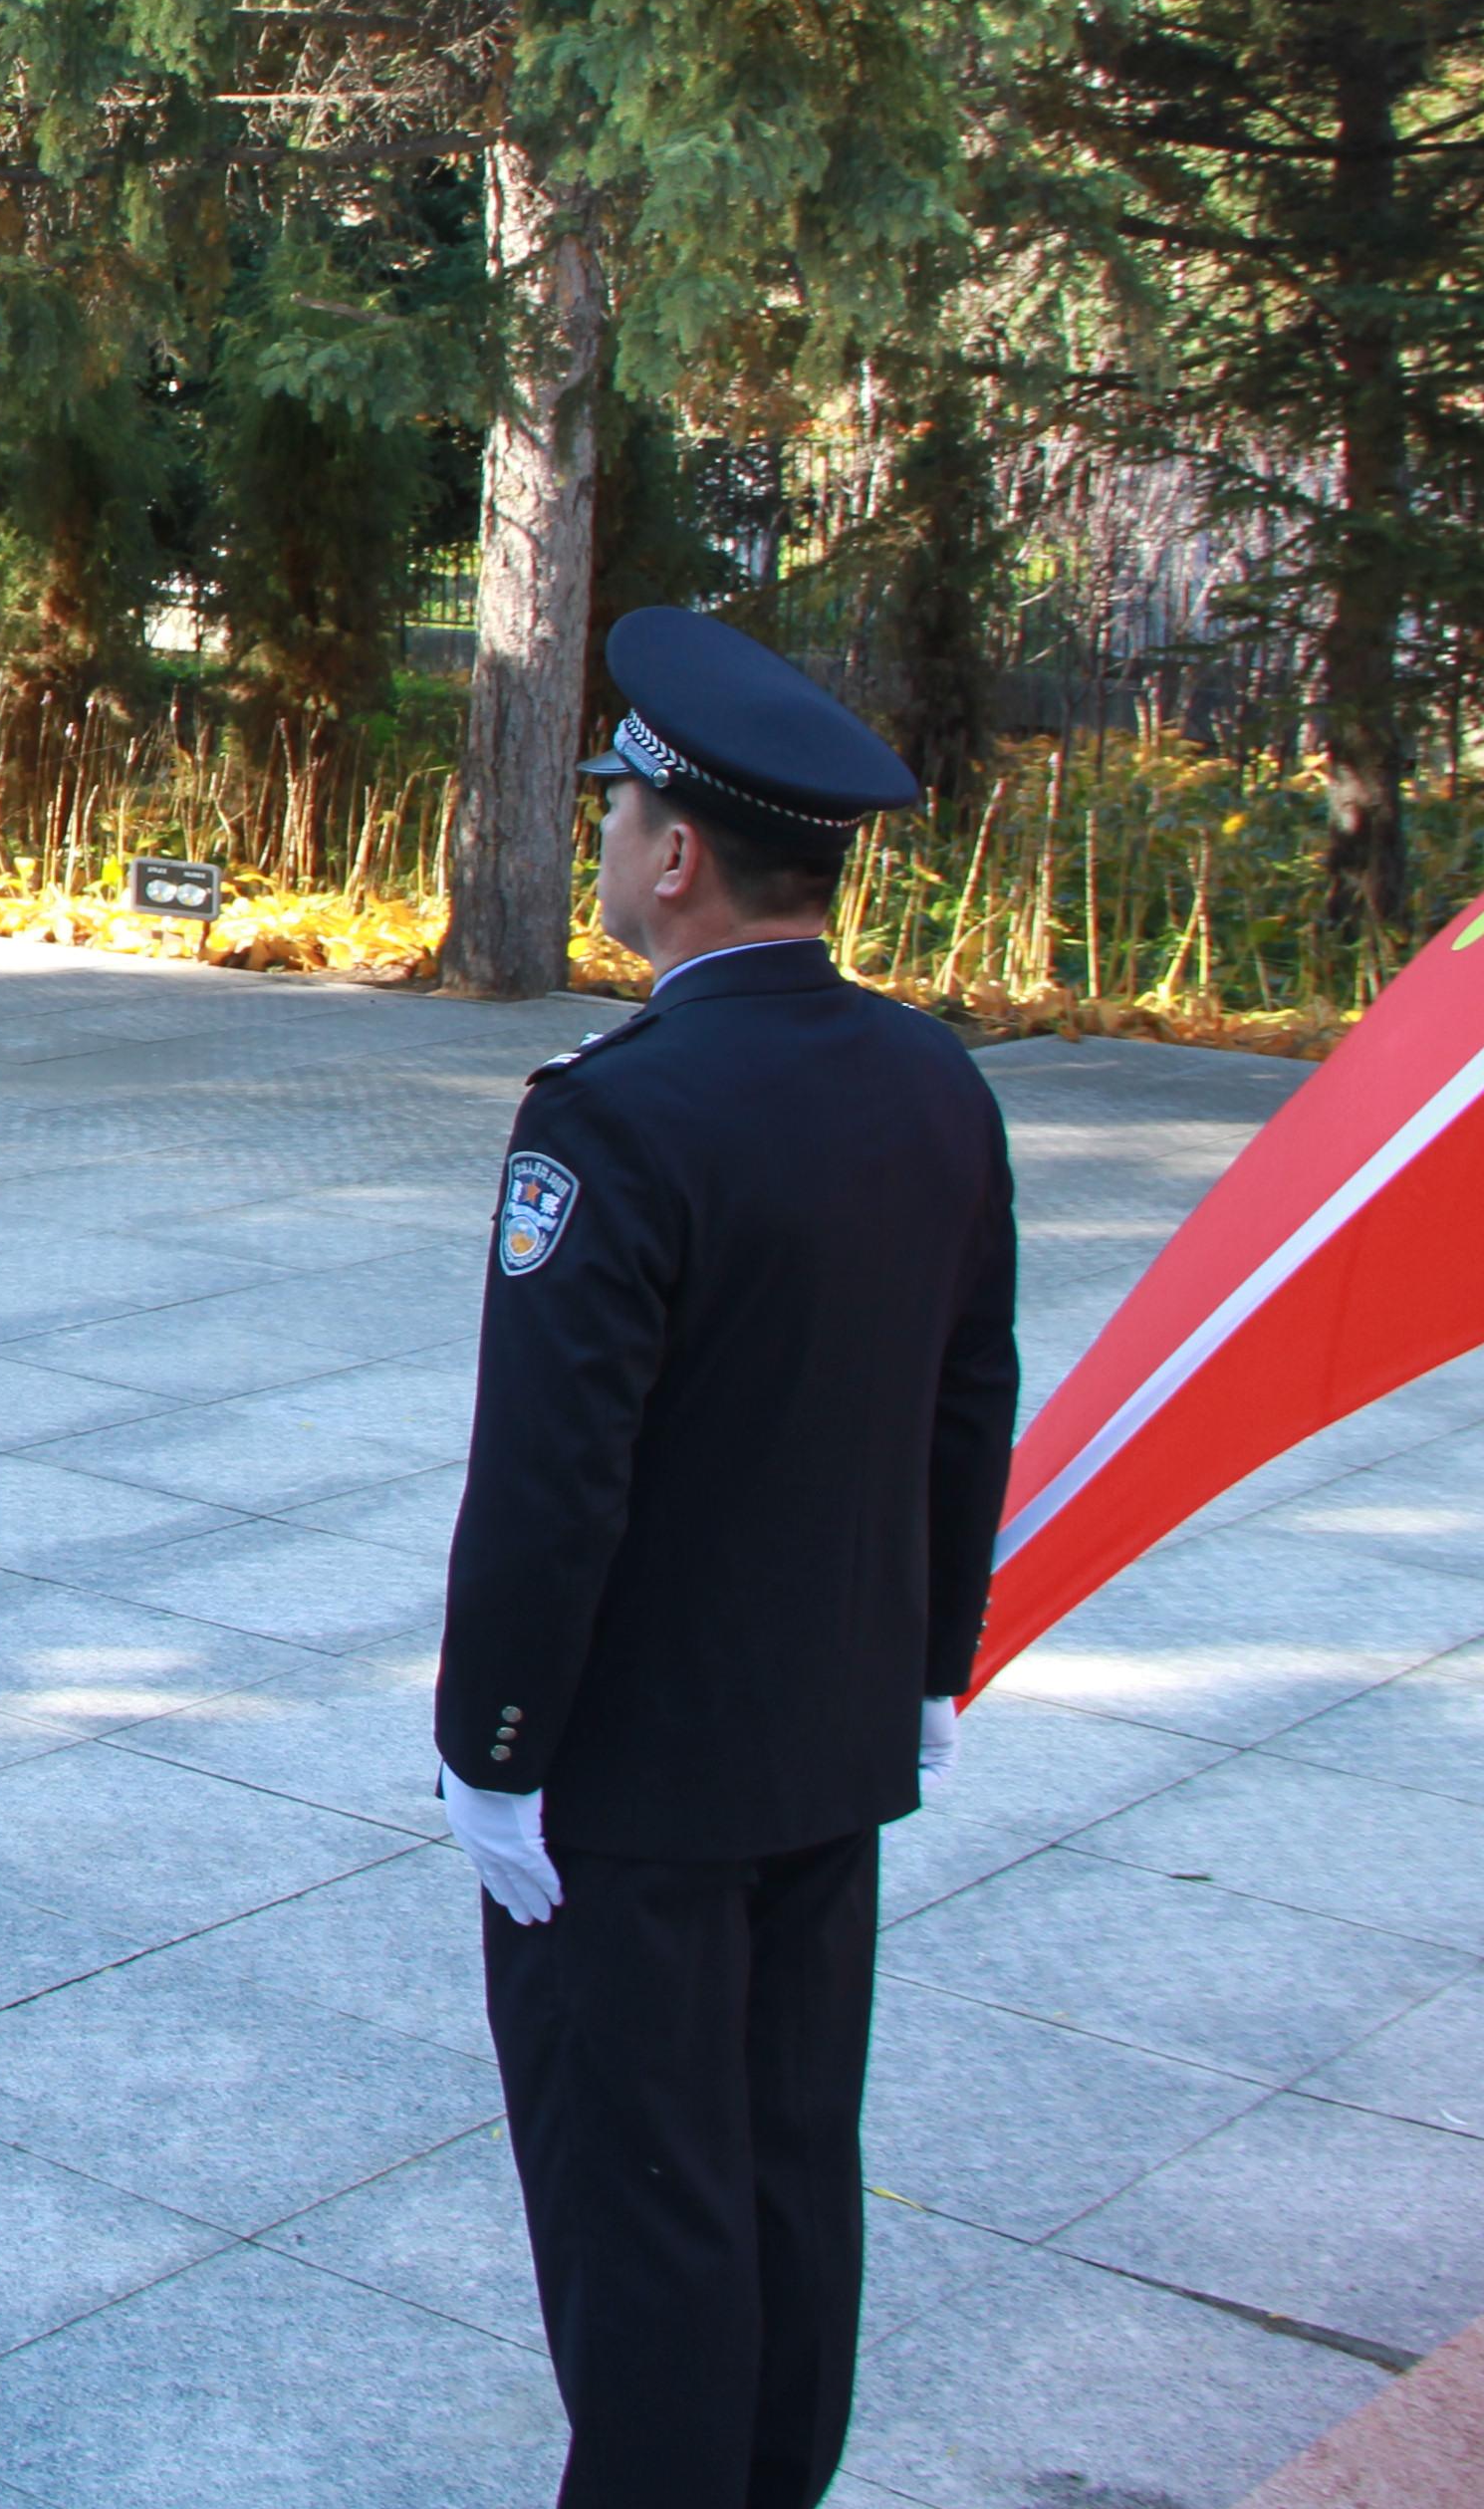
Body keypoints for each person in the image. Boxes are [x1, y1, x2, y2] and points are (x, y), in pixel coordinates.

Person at [434, 605, 1018, 2509]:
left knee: (645, 2202)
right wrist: (928, 1665)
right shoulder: (931, 1084)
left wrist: (490, 1750)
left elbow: (546, 1485)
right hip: (827, 1740)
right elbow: (960, 1405)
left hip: (638, 1782)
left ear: (672, 857)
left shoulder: (614, 1123)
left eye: (612, 811)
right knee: (780, 2162)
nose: (602, 834)